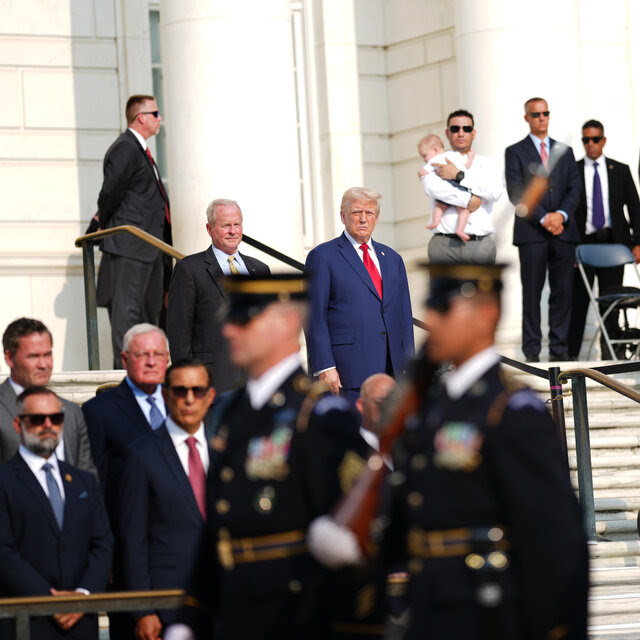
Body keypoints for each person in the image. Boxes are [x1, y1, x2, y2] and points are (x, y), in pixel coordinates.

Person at [310, 262, 589, 640]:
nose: (430, 318)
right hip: (428, 612)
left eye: (443, 307)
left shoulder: (511, 410)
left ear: (486, 315)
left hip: (488, 615)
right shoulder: (433, 404)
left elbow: (556, 542)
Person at [165, 274, 378, 640]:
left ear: (287, 322)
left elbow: (362, 534)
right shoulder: (232, 413)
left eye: (244, 319)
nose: (229, 330)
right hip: (234, 618)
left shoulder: (319, 415)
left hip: (296, 620)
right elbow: (219, 532)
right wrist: (189, 618)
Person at [0, 386, 112, 640]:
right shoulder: (4, 481)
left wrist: (83, 595)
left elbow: (103, 542)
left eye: (56, 418)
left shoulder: (83, 481)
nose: (48, 425)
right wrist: (48, 599)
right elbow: (3, 549)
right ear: (18, 425)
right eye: (38, 419)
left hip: (81, 620)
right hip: (26, 620)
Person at [118, 359, 215, 640]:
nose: (188, 399)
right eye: (179, 390)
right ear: (164, 394)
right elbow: (132, 539)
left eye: (197, 391)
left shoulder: (226, 449)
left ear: (210, 396)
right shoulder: (141, 455)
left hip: (224, 601)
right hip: (168, 604)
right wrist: (143, 610)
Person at [304, 187, 414, 401]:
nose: (363, 219)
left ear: (377, 217)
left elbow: (404, 319)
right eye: (356, 213)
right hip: (347, 375)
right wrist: (325, 366)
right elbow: (313, 317)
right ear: (343, 216)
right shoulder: (322, 257)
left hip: (393, 374)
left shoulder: (392, 259)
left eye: (369, 213)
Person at [97, 94, 171, 367]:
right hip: (130, 244)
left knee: (148, 315)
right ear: (141, 117)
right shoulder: (126, 147)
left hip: (150, 248)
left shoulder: (140, 150)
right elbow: (110, 193)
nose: (159, 118)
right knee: (126, 316)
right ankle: (124, 377)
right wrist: (104, 223)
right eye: (155, 113)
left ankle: (147, 374)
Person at [505, 97, 581, 362]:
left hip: (563, 232)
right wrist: (543, 218)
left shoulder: (565, 151)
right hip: (531, 233)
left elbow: (574, 187)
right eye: (535, 114)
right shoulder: (515, 151)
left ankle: (559, 351)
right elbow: (517, 192)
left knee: (563, 293)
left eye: (545, 113)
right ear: (527, 117)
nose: (541, 118)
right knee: (532, 293)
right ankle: (533, 353)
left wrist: (560, 215)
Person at [166, 198, 270, 392]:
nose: (233, 231)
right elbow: (179, 333)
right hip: (213, 382)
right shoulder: (189, 269)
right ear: (209, 228)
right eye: (226, 225)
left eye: (237, 225)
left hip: (257, 382)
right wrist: (189, 381)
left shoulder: (260, 269)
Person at [82, 323, 170, 525]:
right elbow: (95, 483)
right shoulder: (98, 411)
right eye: (142, 355)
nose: (151, 362)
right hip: (125, 531)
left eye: (158, 354)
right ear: (124, 359)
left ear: (167, 359)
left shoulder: (182, 403)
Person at [568, 119, 640, 359]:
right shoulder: (573, 170)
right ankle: (570, 355)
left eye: (595, 139)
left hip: (613, 244)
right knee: (578, 301)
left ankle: (612, 351)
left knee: (611, 303)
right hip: (583, 245)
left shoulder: (619, 170)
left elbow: (635, 207)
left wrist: (637, 242)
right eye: (586, 140)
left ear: (603, 141)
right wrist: (570, 247)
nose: (591, 144)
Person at [0, 318, 95, 475]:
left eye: (47, 355)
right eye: (33, 356)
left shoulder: (72, 412)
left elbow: (88, 480)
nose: (43, 365)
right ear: (10, 358)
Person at [422, 110, 504, 263]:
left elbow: (494, 192)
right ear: (447, 133)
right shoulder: (438, 160)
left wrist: (459, 176)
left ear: (473, 133)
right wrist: (468, 200)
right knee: (444, 288)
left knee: (482, 288)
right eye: (455, 129)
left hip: (479, 243)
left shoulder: (488, 164)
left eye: (466, 129)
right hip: (443, 243)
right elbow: (432, 187)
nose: (461, 133)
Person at [418, 134, 475, 242]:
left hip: (449, 188)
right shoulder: (454, 155)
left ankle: (435, 222)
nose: (424, 159)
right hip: (459, 187)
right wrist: (470, 158)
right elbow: (465, 167)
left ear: (434, 150)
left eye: (425, 156)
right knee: (464, 210)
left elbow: (423, 171)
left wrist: (420, 175)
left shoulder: (434, 161)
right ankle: (460, 229)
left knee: (439, 207)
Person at [356, 372, 396, 454]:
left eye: (394, 403)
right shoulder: (348, 449)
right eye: (380, 402)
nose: (388, 409)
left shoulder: (408, 447)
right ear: (361, 405)